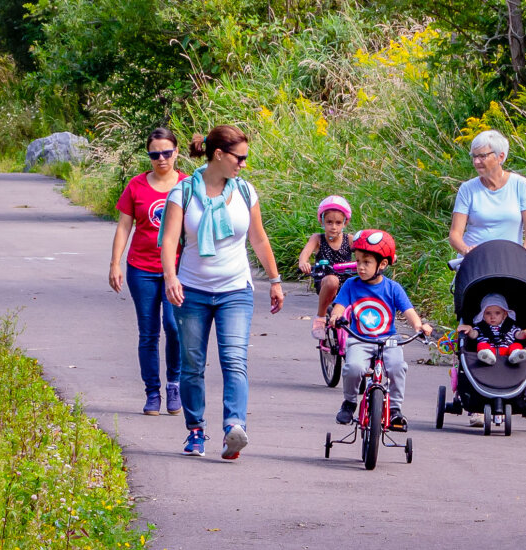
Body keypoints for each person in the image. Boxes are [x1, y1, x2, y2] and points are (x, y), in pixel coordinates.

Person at [159, 125, 284, 460]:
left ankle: (234, 429)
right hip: (192, 291)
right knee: (192, 364)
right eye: (239, 158)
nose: (243, 164)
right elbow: (169, 240)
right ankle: (196, 431)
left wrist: (274, 279)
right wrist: (170, 278)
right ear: (219, 155)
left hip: (235, 290)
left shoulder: (245, 192)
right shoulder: (182, 193)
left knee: (235, 361)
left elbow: (258, 239)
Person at [448, 129, 526, 426]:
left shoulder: (520, 186)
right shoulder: (468, 189)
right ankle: (475, 395)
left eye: (482, 156)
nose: (476, 161)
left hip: (513, 265)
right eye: (473, 156)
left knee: (521, 318)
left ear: (500, 157)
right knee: (472, 321)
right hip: (478, 264)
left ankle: (514, 384)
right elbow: (455, 235)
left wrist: (524, 256)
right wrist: (467, 251)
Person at [109, 128, 188, 416]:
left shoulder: (187, 185)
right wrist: (115, 263)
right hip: (141, 267)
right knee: (148, 333)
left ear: (176, 152)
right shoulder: (137, 186)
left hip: (177, 270)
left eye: (167, 152)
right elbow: (123, 226)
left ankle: (174, 385)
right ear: (149, 156)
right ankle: (152, 392)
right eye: (155, 154)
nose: (161, 158)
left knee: (174, 326)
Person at [328, 229, 433, 433]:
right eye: (357, 261)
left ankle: (395, 409)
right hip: (359, 339)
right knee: (353, 368)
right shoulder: (351, 285)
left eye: (366, 262)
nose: (360, 267)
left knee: (397, 368)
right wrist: (335, 316)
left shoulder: (392, 288)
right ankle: (349, 403)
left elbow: (409, 311)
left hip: (389, 340)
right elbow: (340, 305)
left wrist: (419, 326)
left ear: (382, 264)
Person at [297, 195, 355, 339]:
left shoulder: (349, 240)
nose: (333, 227)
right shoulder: (318, 238)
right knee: (332, 281)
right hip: (325, 280)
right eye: (329, 222)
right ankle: (320, 318)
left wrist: (383, 255)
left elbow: (367, 250)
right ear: (322, 221)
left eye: (338, 223)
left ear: (345, 223)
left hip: (347, 282)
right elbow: (305, 254)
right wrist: (304, 263)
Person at [457, 293, 526, 365]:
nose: (492, 317)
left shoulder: (510, 326)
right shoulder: (481, 327)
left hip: (507, 351)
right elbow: (473, 335)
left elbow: (518, 334)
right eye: (488, 313)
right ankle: (487, 356)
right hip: (489, 349)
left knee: (517, 345)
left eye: (497, 313)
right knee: (481, 345)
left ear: (505, 315)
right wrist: (469, 329)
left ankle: (515, 355)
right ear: (483, 315)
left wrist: (525, 332)